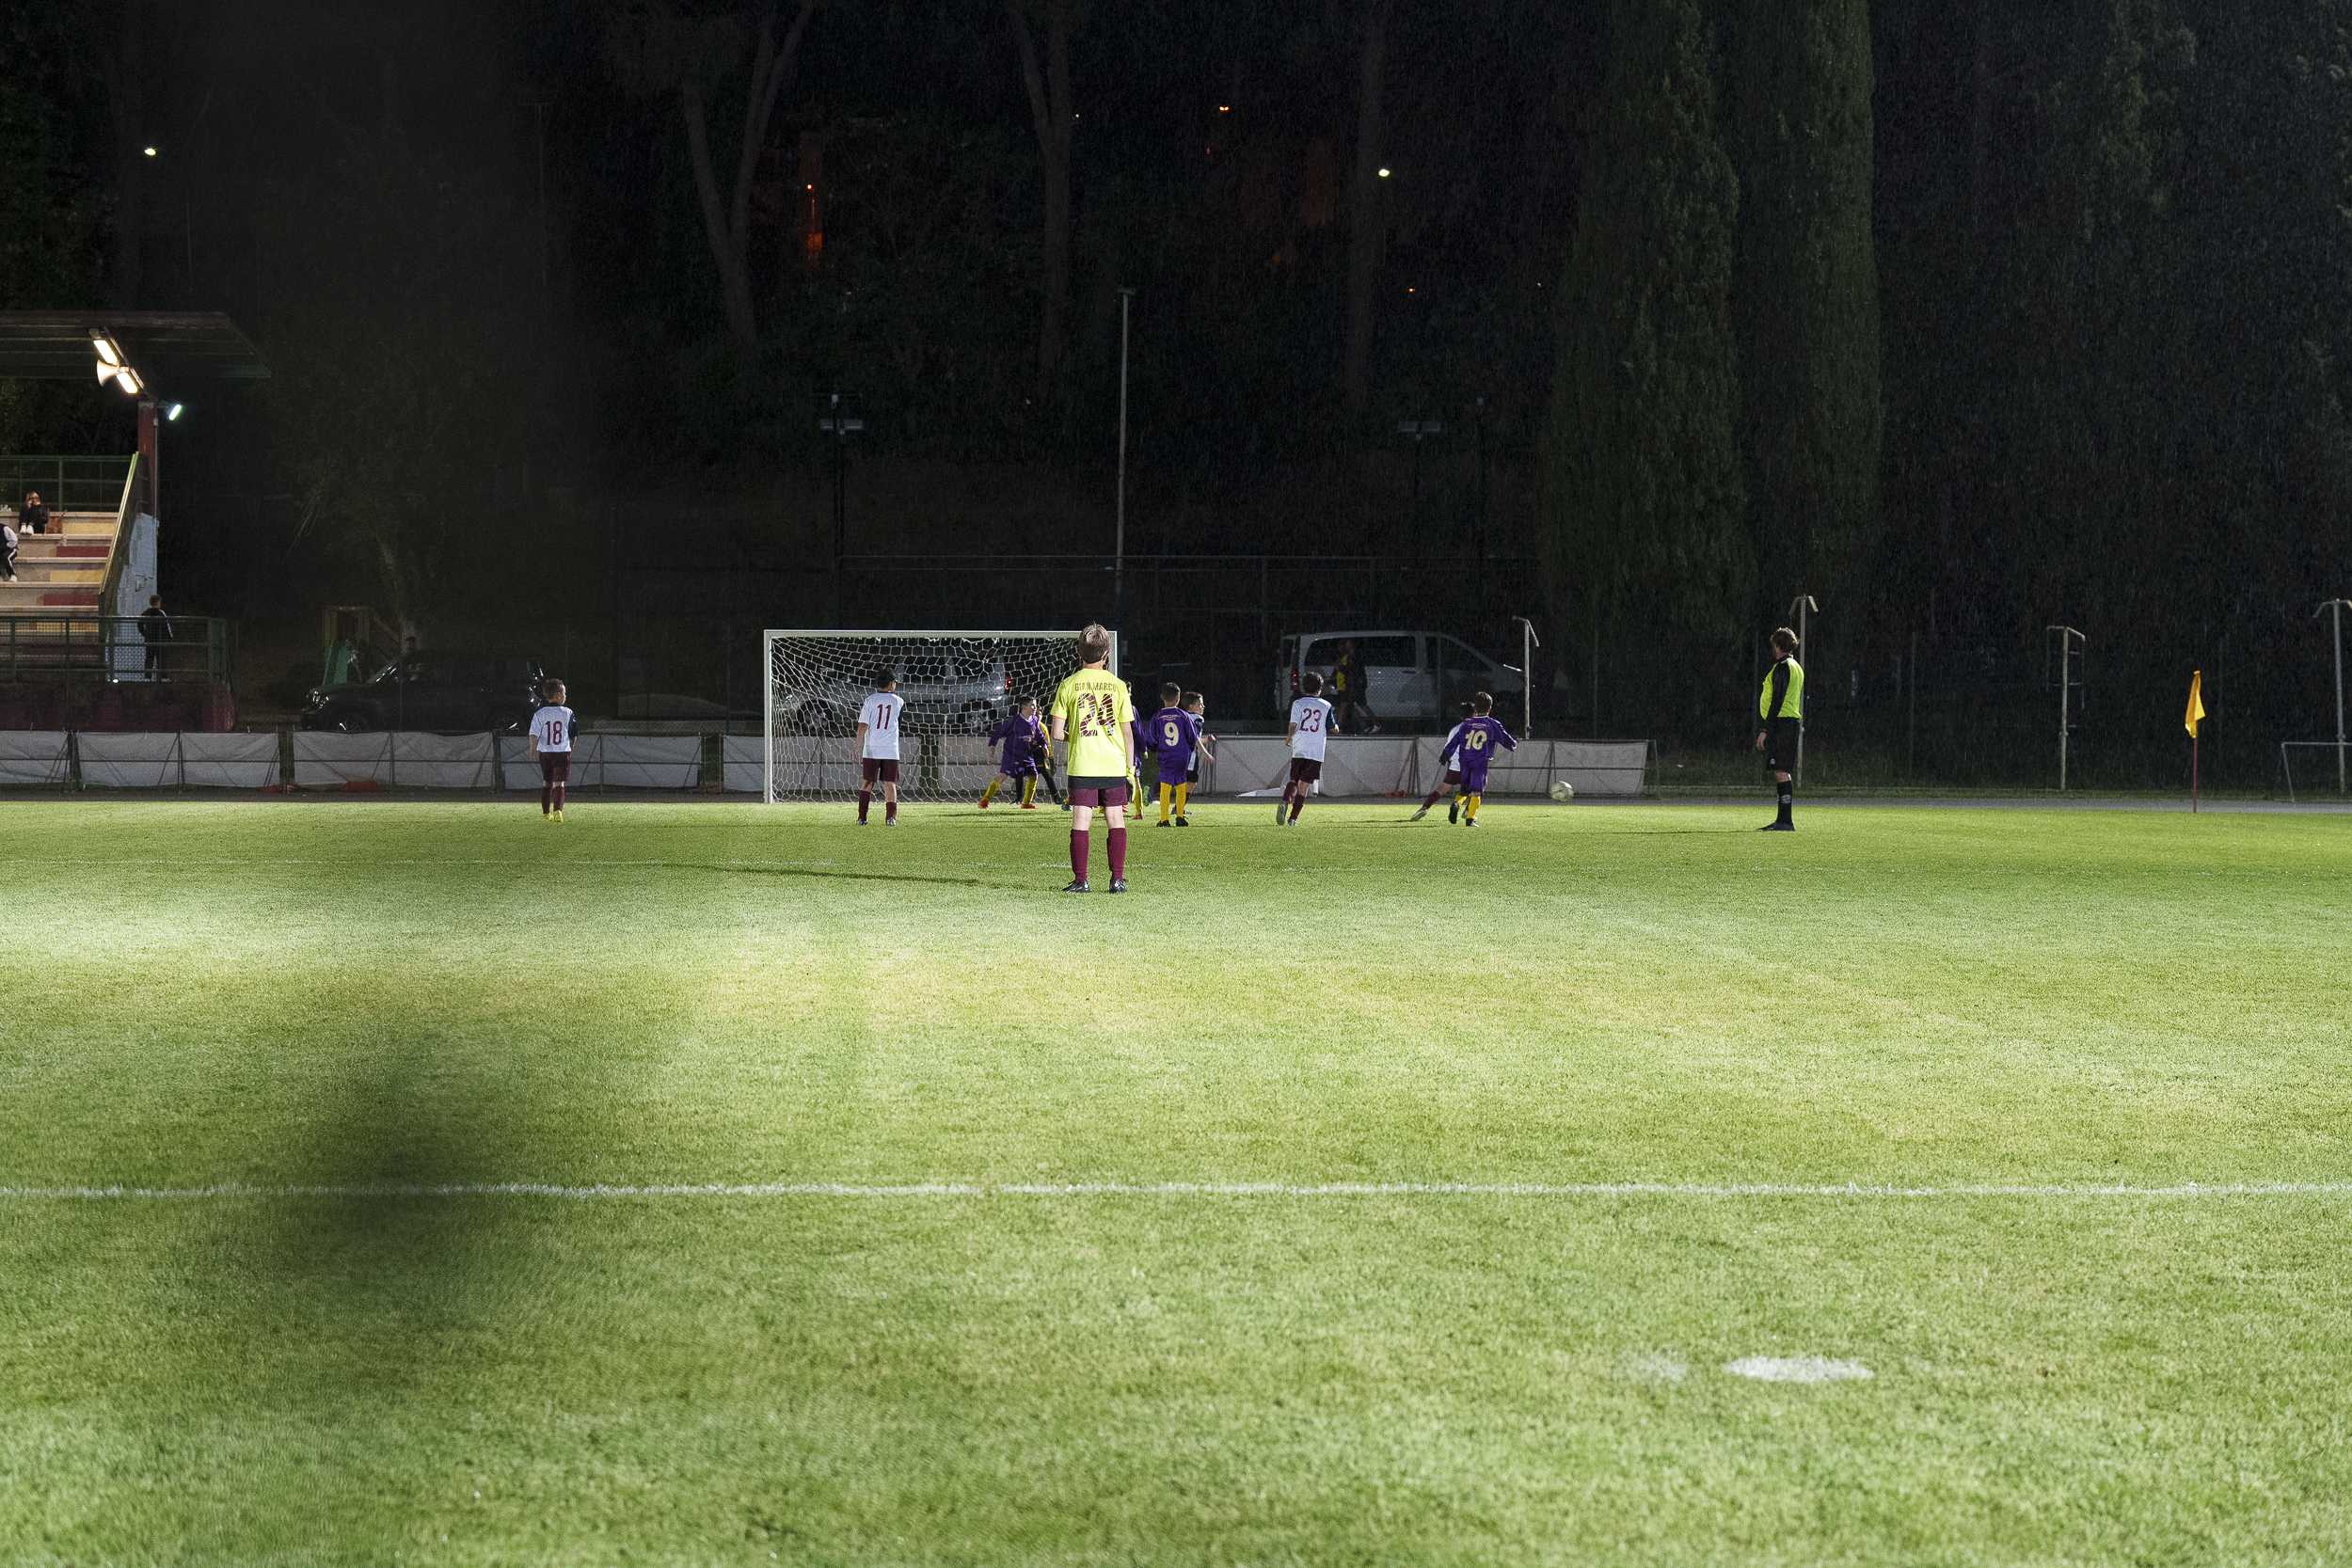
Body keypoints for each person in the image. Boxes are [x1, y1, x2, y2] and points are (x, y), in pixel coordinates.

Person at [1049, 622, 1136, 892]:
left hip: (1083, 763)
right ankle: (1117, 880)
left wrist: (1078, 735)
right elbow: (1128, 734)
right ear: (1107, 653)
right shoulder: (1118, 686)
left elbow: (1056, 733)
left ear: (1079, 652)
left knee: (1081, 821)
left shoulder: (1068, 684)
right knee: (1115, 819)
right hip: (1113, 764)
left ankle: (1081, 880)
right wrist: (1130, 771)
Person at [1440, 692, 1518, 828]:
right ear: (1490, 708)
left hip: (1465, 760)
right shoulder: (1492, 724)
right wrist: (1513, 744)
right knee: (1477, 790)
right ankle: (1470, 819)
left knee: (1465, 789)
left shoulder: (1466, 724)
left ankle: (1456, 803)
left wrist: (1445, 754)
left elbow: (1455, 740)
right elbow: (1505, 739)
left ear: (1475, 708)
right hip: (1480, 761)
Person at [1755, 626, 1804, 831]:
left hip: (1782, 723)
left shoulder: (1783, 667)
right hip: (1788, 722)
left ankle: (1785, 821)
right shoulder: (1796, 666)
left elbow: (1777, 699)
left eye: (1774, 645)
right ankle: (1783, 819)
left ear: (1778, 645)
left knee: (1781, 771)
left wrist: (1765, 730)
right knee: (1782, 770)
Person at [1278, 671, 1333, 825]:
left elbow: (1293, 724)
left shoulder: (1298, 703)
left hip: (1299, 747)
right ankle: (1293, 819)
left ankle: (1285, 801)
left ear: (1304, 687)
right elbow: (1332, 726)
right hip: (1315, 750)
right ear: (1320, 688)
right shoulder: (1326, 705)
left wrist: (1289, 737)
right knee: (1304, 785)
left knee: (1294, 779)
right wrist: (1335, 727)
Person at [1144, 682, 1202, 828]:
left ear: (1162, 697)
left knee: (1166, 785)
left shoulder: (1158, 717)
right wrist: (1187, 749)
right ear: (1178, 698)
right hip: (1181, 755)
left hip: (1166, 755)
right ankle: (1180, 817)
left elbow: (1151, 738)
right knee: (1181, 783)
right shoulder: (1183, 715)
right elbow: (1192, 736)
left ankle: (1164, 819)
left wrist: (1154, 748)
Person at [1410, 702, 1477, 822]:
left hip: (1456, 765)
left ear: (1461, 716)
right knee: (1476, 789)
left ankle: (1424, 808)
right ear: (1475, 713)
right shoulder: (1479, 728)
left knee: (1442, 788)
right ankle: (1468, 811)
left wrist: (1448, 758)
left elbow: (1449, 747)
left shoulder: (1455, 729)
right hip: (1471, 765)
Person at [856, 672, 906, 826]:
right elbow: (899, 724)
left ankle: (862, 818)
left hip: (871, 749)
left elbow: (863, 725)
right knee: (890, 784)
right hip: (890, 749)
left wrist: (857, 745)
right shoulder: (899, 701)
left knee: (867, 782)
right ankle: (890, 818)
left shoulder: (869, 700)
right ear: (891, 684)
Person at [978, 698, 1045, 809]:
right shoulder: (1013, 721)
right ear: (1024, 707)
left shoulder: (1034, 720)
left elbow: (1039, 734)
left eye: (1035, 705)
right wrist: (992, 750)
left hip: (1027, 755)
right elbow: (997, 733)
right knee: (1002, 777)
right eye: (1032, 705)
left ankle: (1026, 803)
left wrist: (1044, 746)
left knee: (1034, 775)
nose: (1035, 708)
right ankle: (985, 800)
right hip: (1011, 755)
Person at [527, 678, 577, 822]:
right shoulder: (568, 712)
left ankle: (545, 813)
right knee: (559, 783)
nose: (565, 696)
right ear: (558, 695)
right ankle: (558, 812)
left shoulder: (540, 713)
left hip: (545, 752)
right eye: (564, 693)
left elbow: (533, 733)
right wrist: (571, 748)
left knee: (546, 782)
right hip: (562, 752)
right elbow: (573, 735)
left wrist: (532, 749)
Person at [1330, 640, 1378, 734]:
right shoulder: (1350, 656)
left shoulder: (1354, 657)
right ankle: (1365, 725)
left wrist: (1340, 668)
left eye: (1347, 644)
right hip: (1351, 686)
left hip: (1354, 686)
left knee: (1350, 705)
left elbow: (1351, 672)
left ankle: (1339, 727)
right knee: (1350, 707)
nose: (1345, 646)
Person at [1180, 691, 1214, 824]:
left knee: (1182, 781)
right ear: (1191, 706)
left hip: (1178, 753)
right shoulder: (1197, 718)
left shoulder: (1183, 716)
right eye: (1200, 704)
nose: (1203, 706)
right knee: (1191, 781)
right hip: (1190, 755)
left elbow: (1192, 738)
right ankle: (1179, 808)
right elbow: (1194, 739)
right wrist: (1206, 753)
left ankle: (1179, 807)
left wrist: (1206, 739)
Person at [137, 594, 172, 680]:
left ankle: (147, 678)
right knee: (161, 659)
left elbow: (139, 623)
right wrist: (169, 637)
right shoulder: (161, 613)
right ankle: (163, 677)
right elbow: (167, 626)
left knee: (149, 658)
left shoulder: (146, 613)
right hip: (160, 640)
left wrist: (145, 633)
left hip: (150, 639)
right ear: (158, 602)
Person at [1, 515, 16, 581]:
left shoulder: (4, 528)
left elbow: (14, 540)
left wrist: (5, 546)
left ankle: (12, 574)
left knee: (5, 557)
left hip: (10, 549)